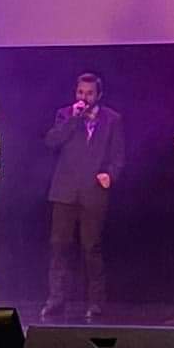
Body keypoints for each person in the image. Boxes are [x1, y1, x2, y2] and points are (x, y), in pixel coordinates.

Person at [41, 73, 126, 322]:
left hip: (93, 192)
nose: (84, 98)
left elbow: (118, 155)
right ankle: (56, 299)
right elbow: (52, 141)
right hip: (64, 192)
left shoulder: (112, 119)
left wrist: (110, 174)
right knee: (59, 247)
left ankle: (96, 303)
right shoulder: (65, 115)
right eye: (80, 92)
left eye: (89, 93)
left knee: (91, 248)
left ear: (99, 95)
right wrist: (73, 119)